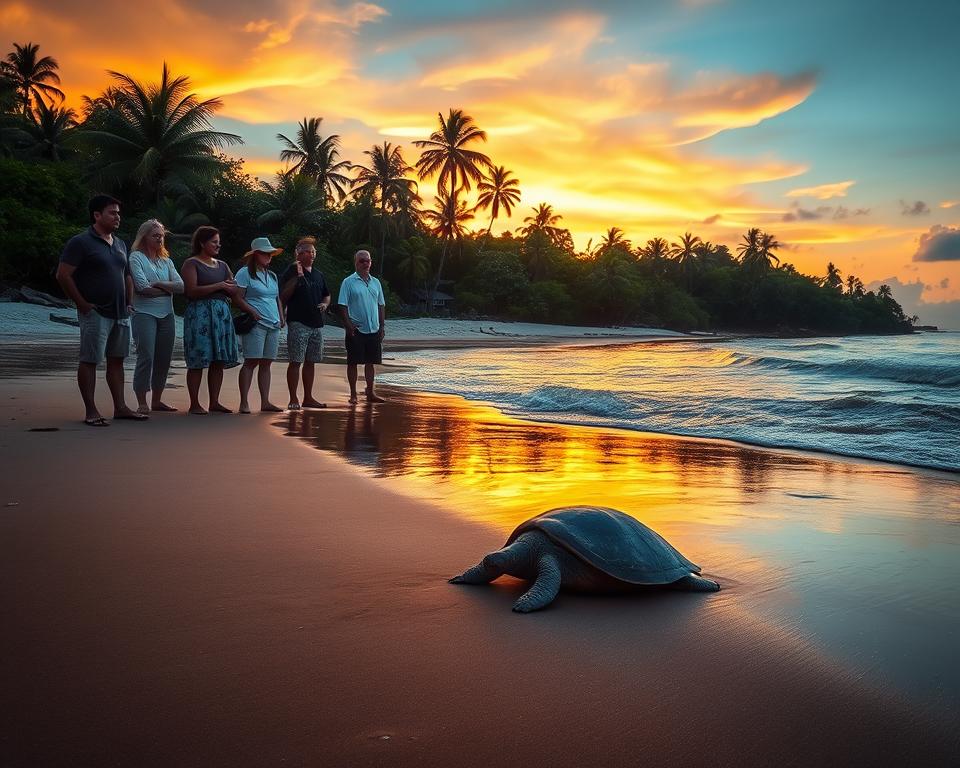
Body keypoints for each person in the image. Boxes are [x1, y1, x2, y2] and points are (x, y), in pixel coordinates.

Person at [56, 194, 147, 426]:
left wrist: (129, 302)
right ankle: (91, 410)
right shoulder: (81, 242)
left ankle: (121, 407)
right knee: (90, 360)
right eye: (112, 212)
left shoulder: (119, 243)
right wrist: (82, 304)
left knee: (117, 361)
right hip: (95, 312)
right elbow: (63, 275)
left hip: (121, 312)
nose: (118, 216)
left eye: (118, 212)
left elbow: (125, 274)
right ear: (97, 215)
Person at [181, 226, 241, 414]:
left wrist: (229, 287)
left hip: (221, 314)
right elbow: (191, 290)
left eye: (218, 241)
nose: (218, 245)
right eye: (214, 242)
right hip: (199, 314)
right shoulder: (191, 263)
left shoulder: (222, 265)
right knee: (197, 359)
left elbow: (233, 288)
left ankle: (214, 401)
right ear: (202, 243)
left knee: (218, 360)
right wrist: (220, 285)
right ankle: (194, 403)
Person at [128, 219, 184, 413]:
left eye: (161, 236)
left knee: (164, 358)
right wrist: (168, 289)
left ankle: (157, 400)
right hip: (144, 313)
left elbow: (181, 286)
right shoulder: (136, 257)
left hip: (167, 314)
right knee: (146, 356)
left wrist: (159, 284)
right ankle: (142, 401)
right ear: (144, 237)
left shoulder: (166, 261)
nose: (160, 239)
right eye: (155, 235)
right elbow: (142, 288)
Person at [234, 237, 285, 414]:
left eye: (270, 254)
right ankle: (244, 402)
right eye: (265, 253)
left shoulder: (271, 275)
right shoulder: (244, 273)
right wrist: (252, 312)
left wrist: (281, 315)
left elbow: (276, 298)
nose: (269, 256)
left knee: (267, 363)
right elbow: (237, 297)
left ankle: (265, 401)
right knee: (251, 361)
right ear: (255, 255)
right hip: (256, 323)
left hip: (273, 323)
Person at [279, 236, 331, 410]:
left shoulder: (319, 274)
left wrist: (325, 303)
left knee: (311, 361)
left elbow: (327, 294)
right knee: (296, 361)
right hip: (298, 322)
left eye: (313, 251)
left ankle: (308, 397)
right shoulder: (290, 271)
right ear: (299, 254)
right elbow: (282, 296)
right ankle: (293, 398)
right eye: (308, 251)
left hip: (316, 324)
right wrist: (297, 277)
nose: (312, 254)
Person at [338, 249, 386, 404]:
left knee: (371, 362)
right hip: (356, 329)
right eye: (362, 261)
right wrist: (348, 325)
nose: (365, 263)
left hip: (374, 329)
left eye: (368, 261)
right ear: (356, 263)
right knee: (352, 362)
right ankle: (353, 394)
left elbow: (381, 305)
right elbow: (342, 305)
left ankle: (370, 392)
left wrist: (382, 326)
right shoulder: (348, 282)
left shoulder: (376, 282)